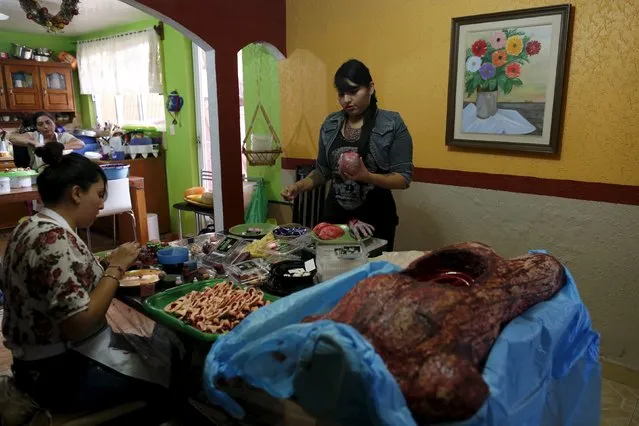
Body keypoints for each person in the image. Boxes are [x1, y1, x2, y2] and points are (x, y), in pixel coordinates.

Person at [0, 142, 172, 420]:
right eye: (99, 195)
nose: (102, 204)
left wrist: (107, 265)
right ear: (77, 193)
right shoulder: (53, 239)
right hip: (60, 374)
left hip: (33, 366)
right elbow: (78, 324)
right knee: (171, 371)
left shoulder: (29, 225)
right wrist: (115, 268)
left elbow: (65, 275)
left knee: (158, 346)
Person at [281, 59, 413, 250]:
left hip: (376, 222)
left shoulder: (392, 124)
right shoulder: (331, 124)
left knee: (370, 277)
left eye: (353, 92)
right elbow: (322, 171)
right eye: (341, 94)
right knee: (330, 272)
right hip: (335, 220)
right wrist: (298, 186)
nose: (346, 100)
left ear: (371, 88)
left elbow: (403, 178)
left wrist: (367, 176)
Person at [6, 111, 84, 169]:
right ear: (36, 127)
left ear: (54, 123)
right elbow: (11, 137)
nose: (45, 126)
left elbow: (80, 143)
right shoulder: (34, 135)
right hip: (39, 172)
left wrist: (60, 147)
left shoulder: (63, 136)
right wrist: (34, 143)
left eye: (48, 122)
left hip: (62, 171)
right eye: (40, 124)